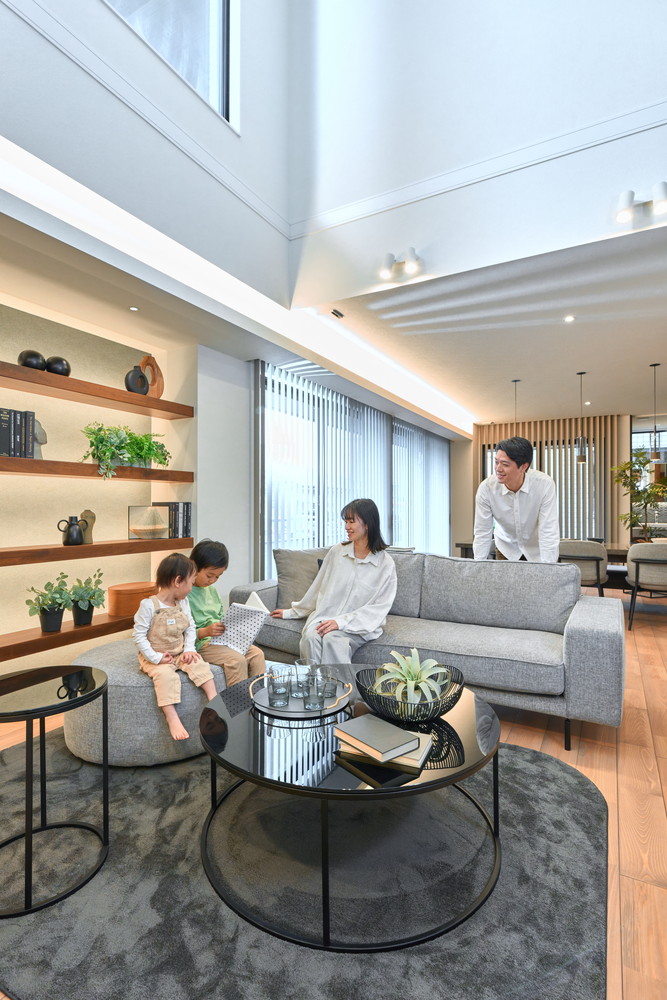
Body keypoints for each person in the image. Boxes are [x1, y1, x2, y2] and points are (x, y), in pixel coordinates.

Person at [270, 498, 397, 665]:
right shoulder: (337, 552)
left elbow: (378, 608)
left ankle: (339, 683)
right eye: (346, 521)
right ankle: (314, 681)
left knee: (333, 640)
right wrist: (292, 612)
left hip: (358, 625)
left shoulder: (385, 564)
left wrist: (340, 622)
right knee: (310, 637)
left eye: (351, 521)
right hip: (326, 617)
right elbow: (318, 589)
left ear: (367, 524)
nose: (346, 527)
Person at [133, 552, 217, 741]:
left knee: (200, 665)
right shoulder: (148, 605)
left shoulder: (183, 602)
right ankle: (172, 718)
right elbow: (138, 636)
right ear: (178, 581)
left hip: (179, 652)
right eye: (191, 582)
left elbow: (190, 627)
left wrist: (189, 649)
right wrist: (156, 658)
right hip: (155, 656)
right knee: (165, 676)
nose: (192, 587)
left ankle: (214, 702)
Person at [187, 538, 266, 686]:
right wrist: (205, 632)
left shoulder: (212, 591)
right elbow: (180, 632)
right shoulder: (184, 593)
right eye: (210, 575)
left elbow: (219, 618)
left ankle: (258, 697)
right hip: (201, 645)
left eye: (218, 576)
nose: (213, 580)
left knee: (257, 654)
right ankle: (239, 701)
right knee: (236, 660)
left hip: (221, 641)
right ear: (193, 565)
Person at [473, 436, 560, 563]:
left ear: (523, 467)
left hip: (536, 551)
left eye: (505, 464)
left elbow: (548, 530)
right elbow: (482, 532)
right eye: (496, 462)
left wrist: (549, 567)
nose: (498, 469)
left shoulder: (544, 485)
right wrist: (477, 566)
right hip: (506, 548)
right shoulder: (486, 488)